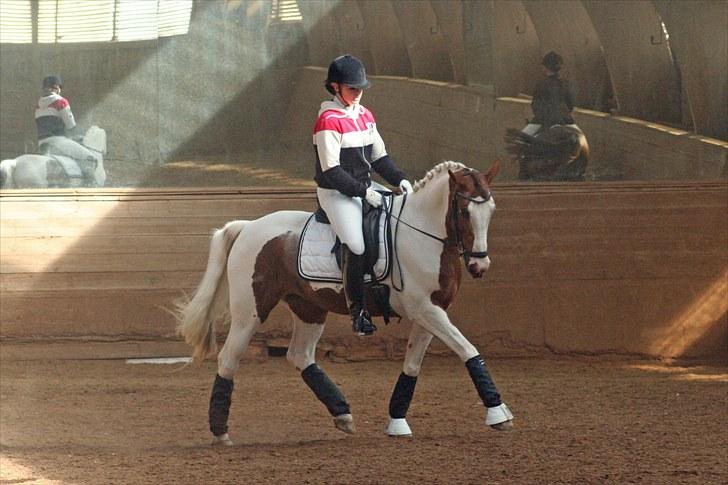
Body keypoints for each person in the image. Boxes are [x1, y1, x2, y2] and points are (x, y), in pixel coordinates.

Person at [313, 54, 413, 336]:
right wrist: (364, 192)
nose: (357, 94)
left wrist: (401, 179)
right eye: (352, 89)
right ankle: (358, 311)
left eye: (360, 89)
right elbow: (331, 170)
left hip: (364, 190)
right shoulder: (328, 120)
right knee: (355, 245)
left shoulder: (365, 115)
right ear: (335, 87)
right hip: (336, 193)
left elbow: (380, 158)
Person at [35, 75, 97, 184]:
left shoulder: (38, 105)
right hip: (58, 142)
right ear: (56, 88)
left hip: (42, 143)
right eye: (59, 88)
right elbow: (70, 125)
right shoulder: (61, 102)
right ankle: (89, 185)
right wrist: (79, 135)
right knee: (90, 158)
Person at [522, 51, 581, 136]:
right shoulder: (566, 84)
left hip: (543, 120)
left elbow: (535, 106)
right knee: (581, 139)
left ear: (545, 68)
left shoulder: (541, 84)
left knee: (520, 140)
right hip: (565, 120)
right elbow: (570, 105)